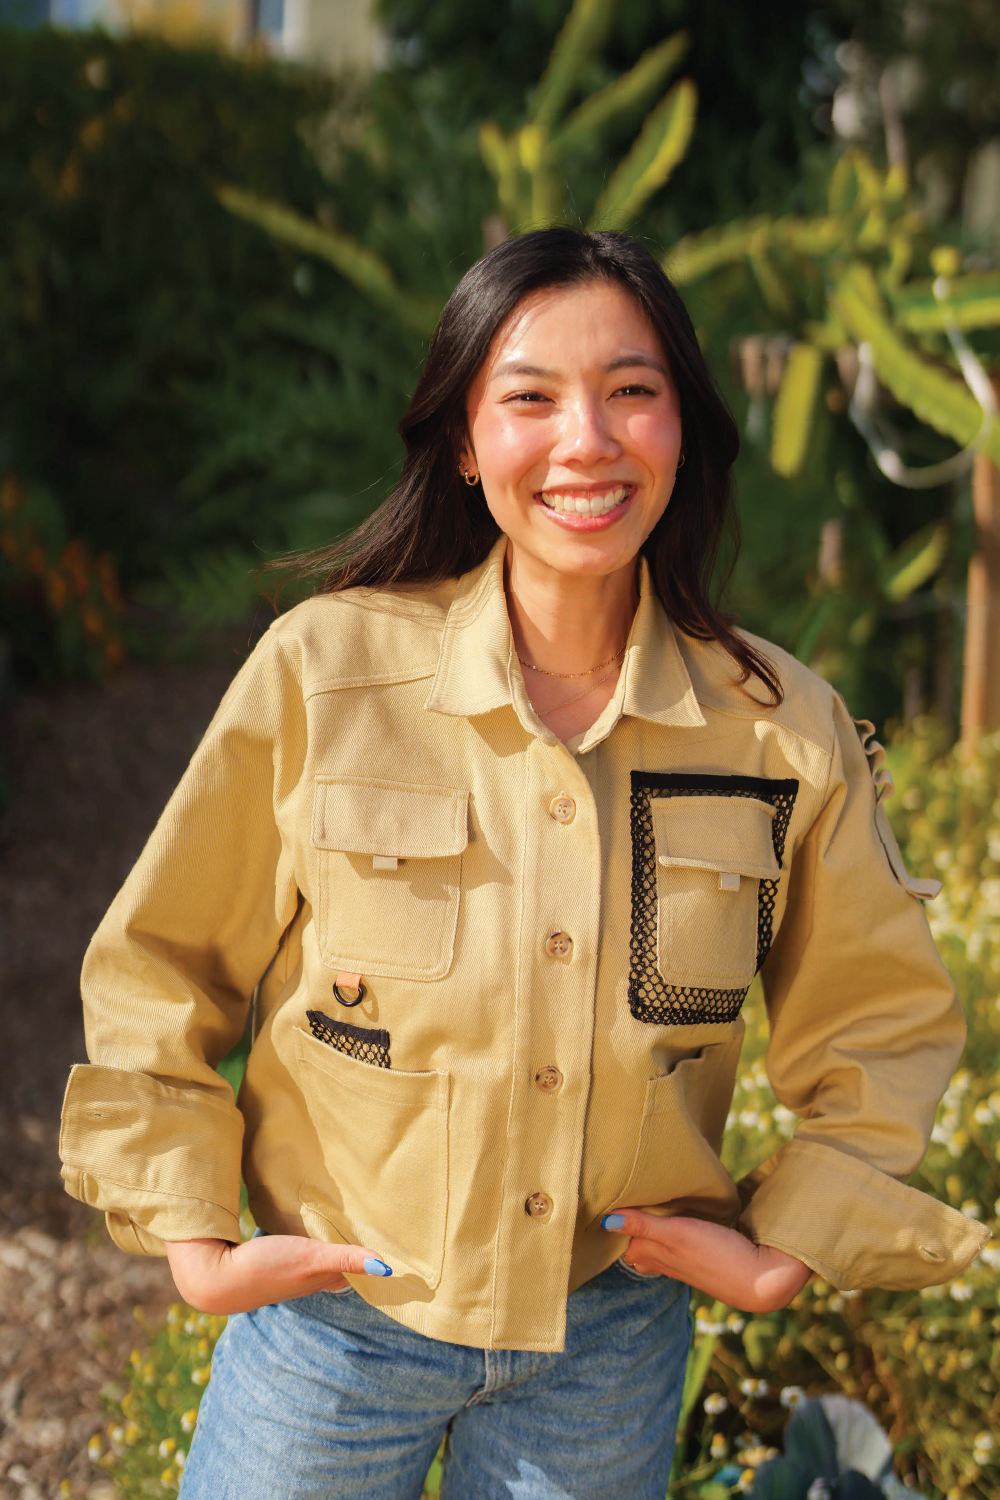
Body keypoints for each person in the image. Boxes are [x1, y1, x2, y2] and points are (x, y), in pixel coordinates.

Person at [59, 228, 986, 1500]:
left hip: (606, 1342)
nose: (586, 441)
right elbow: (163, 959)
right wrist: (193, 1232)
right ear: (461, 438)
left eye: (631, 391)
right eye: (531, 397)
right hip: (332, 1328)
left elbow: (880, 1018)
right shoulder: (326, 675)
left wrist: (796, 1242)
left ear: (683, 428)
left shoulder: (782, 727)